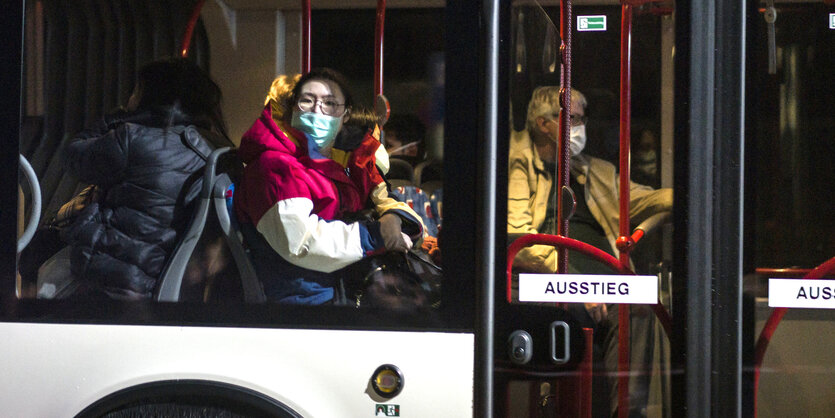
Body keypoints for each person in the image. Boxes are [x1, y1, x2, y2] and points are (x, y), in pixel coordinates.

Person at [507, 86, 672, 417]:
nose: (580, 127)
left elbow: (644, 199)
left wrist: (685, 192)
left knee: (637, 307)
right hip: (548, 277)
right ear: (543, 123)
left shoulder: (595, 170)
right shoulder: (517, 162)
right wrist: (576, 282)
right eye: (573, 118)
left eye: (582, 119)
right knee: (562, 310)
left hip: (603, 280)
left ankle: (626, 413)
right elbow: (518, 238)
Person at [34, 57, 233, 300]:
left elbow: (74, 156)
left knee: (39, 260)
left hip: (120, 276)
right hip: (174, 282)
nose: (130, 100)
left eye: (136, 92)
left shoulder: (134, 139)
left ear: (152, 98)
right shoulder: (218, 148)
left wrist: (116, 119)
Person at [234, 68, 425, 305]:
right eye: (307, 101)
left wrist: (394, 218)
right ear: (293, 108)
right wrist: (375, 236)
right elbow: (300, 241)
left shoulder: (332, 164)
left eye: (329, 103)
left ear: (345, 115)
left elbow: (378, 196)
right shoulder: (275, 165)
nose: (316, 110)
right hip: (302, 300)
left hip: (336, 286)